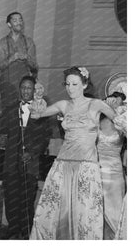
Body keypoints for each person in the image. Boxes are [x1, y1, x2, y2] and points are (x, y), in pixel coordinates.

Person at [29, 66, 117, 240]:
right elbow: (36, 115)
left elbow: (121, 120)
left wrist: (118, 106)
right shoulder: (64, 105)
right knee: (54, 212)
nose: (70, 88)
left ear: (84, 85)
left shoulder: (96, 104)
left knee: (84, 214)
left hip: (86, 167)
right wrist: (37, 98)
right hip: (62, 165)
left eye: (75, 84)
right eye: (67, 84)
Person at [0, 76, 50, 239]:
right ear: (19, 89)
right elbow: (3, 130)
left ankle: (27, 232)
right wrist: (2, 136)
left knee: (27, 198)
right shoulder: (10, 108)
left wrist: (32, 153)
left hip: (31, 162)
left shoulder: (42, 110)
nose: (26, 91)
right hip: (11, 160)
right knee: (11, 196)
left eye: (29, 88)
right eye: (23, 87)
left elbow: (44, 138)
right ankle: (13, 229)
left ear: (35, 90)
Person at [97, 91, 126, 239]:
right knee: (97, 212)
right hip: (97, 172)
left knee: (115, 212)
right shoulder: (97, 120)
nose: (114, 104)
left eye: (118, 102)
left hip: (115, 174)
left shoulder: (123, 124)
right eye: (112, 101)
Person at [0, 12, 38, 109]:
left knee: (25, 111)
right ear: (9, 24)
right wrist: (12, 58)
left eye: (20, 20)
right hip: (7, 84)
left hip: (25, 85)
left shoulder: (29, 42)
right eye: (15, 20)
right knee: (8, 112)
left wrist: (26, 57)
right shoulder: (1, 42)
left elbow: (34, 66)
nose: (19, 22)